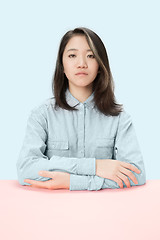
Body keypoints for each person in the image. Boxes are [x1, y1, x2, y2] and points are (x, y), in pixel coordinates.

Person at [16, 27, 146, 191]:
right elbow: (26, 169)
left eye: (90, 56)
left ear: (99, 65)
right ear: (62, 65)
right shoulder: (42, 115)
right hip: (52, 210)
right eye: (72, 55)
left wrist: (70, 182)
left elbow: (137, 175)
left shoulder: (120, 118)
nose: (81, 64)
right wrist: (96, 166)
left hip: (105, 210)